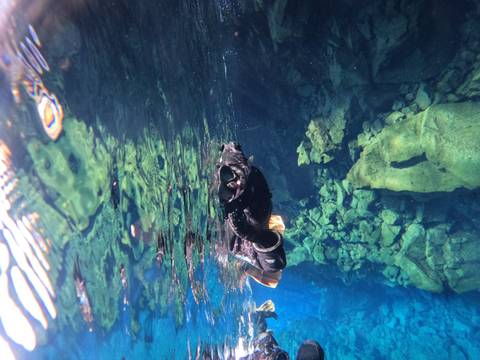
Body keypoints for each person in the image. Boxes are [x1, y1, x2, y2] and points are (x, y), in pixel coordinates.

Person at [215, 142, 286, 287]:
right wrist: (253, 235)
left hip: (240, 214)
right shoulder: (254, 253)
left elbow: (273, 271)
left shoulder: (233, 248)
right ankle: (235, 173)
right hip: (252, 208)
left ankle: (233, 172)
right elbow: (274, 265)